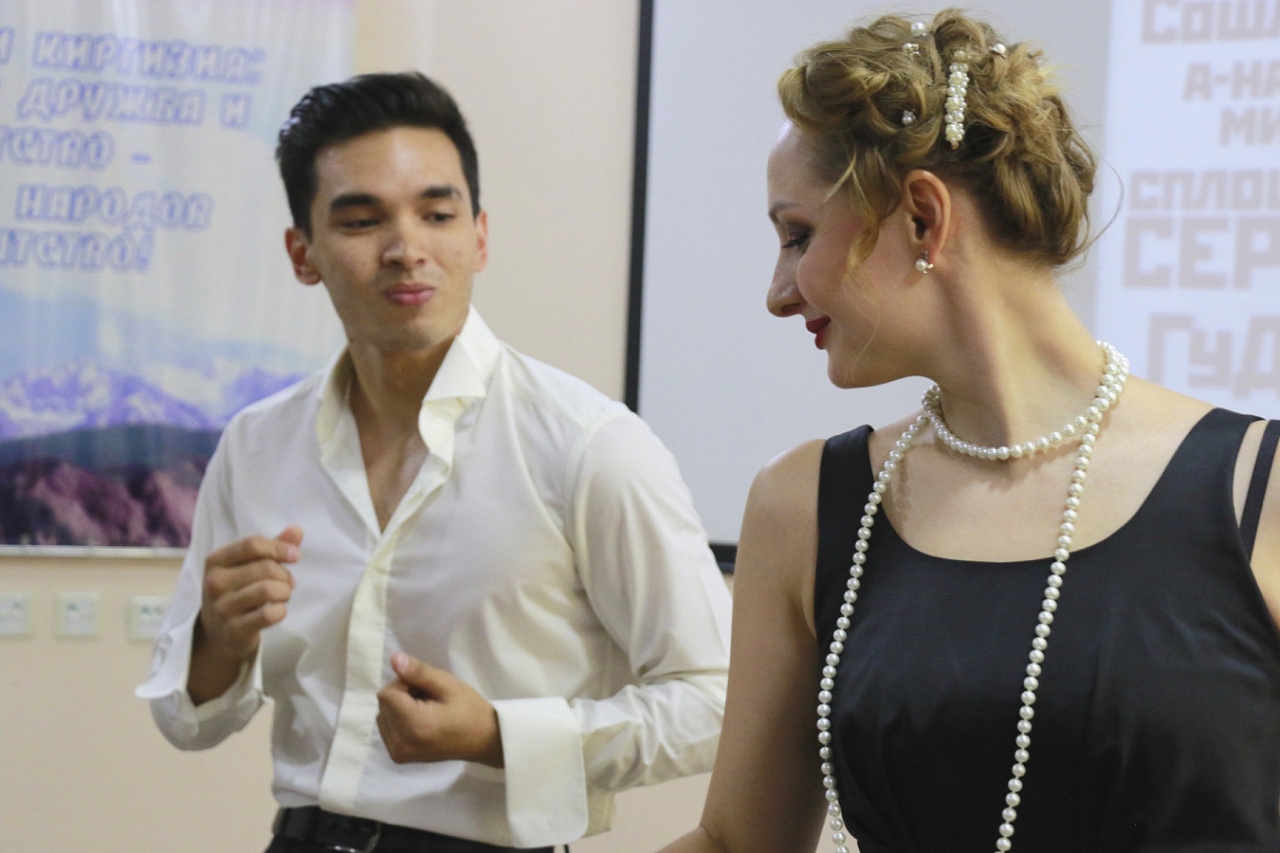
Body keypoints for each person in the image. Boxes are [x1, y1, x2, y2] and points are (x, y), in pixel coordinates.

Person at [658, 9, 1280, 853]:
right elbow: (738, 843)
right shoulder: (804, 507)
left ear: (922, 217)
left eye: (799, 235)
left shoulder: (1261, 489)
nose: (779, 291)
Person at [137, 71, 732, 853]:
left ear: (479, 235)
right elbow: (186, 720)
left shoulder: (588, 443)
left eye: (437, 214)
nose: (406, 249)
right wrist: (217, 641)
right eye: (361, 220)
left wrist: (500, 735)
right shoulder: (256, 445)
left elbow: (717, 700)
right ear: (303, 253)